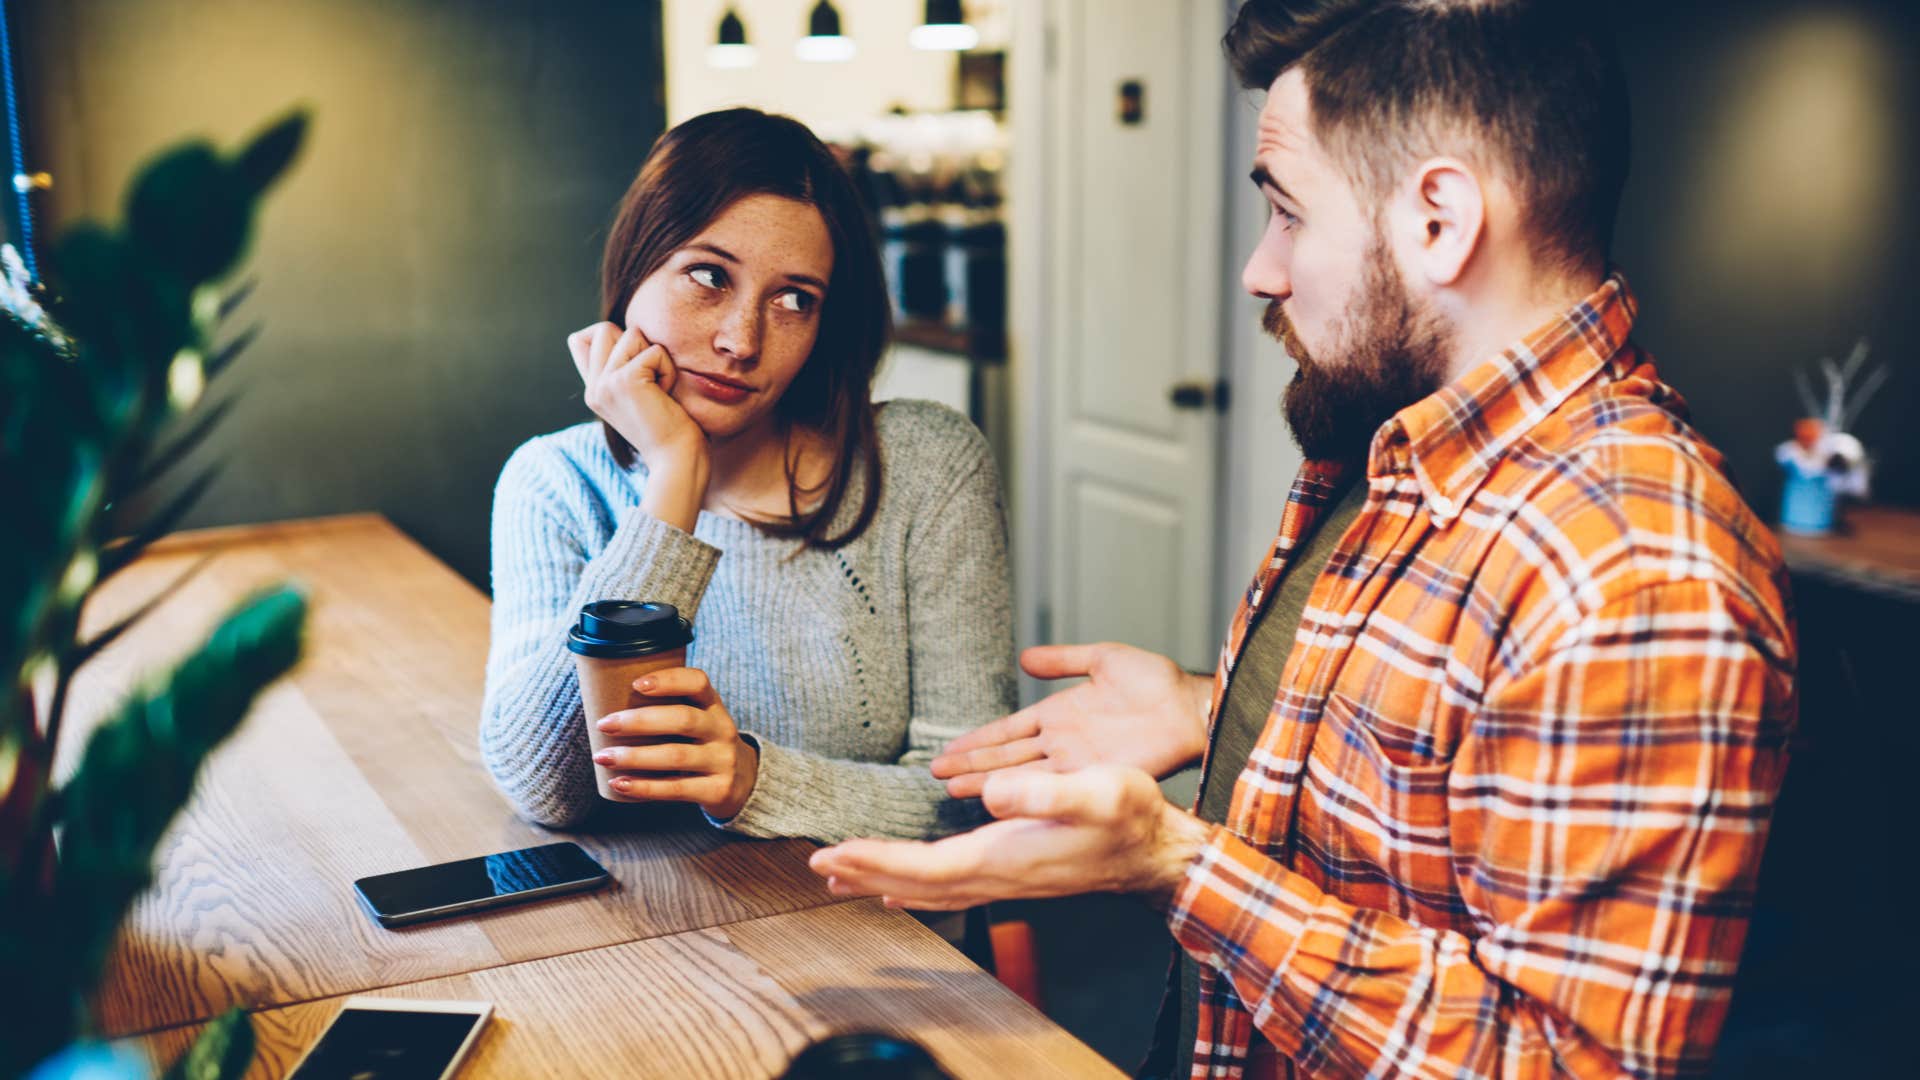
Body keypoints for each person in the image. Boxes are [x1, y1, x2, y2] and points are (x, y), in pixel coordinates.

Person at [810, 3, 1796, 1076]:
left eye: (1288, 211)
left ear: (1439, 220)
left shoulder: (1636, 573)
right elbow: (1440, 741)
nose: (1261, 269)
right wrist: (1214, 705)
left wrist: (1174, 865)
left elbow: (1568, 1062)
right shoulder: (1399, 441)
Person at [480, 108, 1014, 845]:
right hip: (649, 936)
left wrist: (750, 780)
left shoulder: (928, 465)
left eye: (795, 299)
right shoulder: (556, 480)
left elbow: (971, 800)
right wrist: (674, 482)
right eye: (708, 276)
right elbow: (542, 784)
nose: (740, 341)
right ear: (636, 265)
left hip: (874, 938)